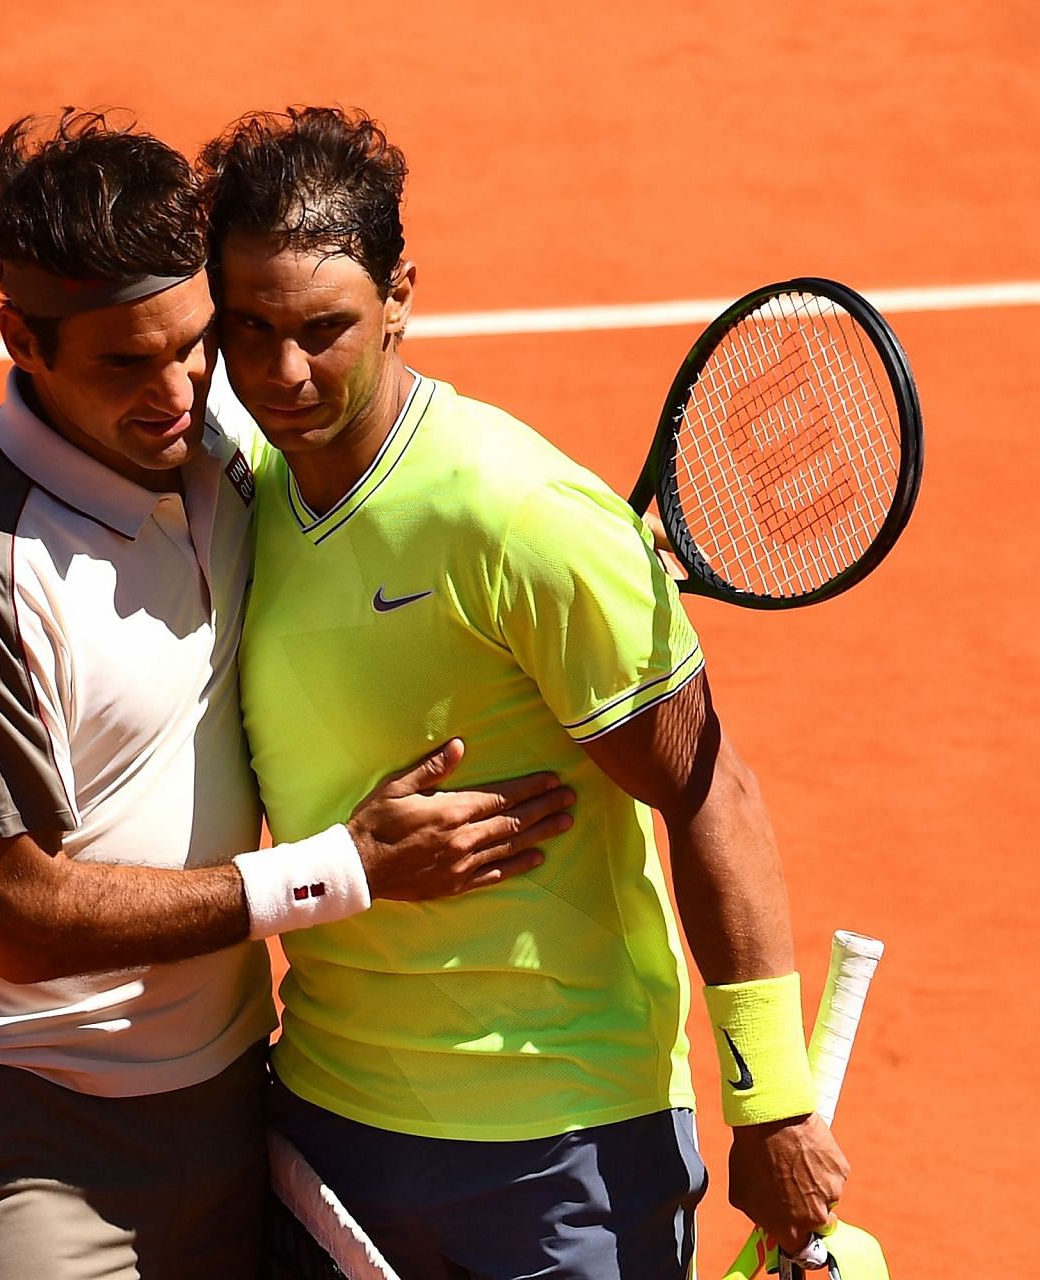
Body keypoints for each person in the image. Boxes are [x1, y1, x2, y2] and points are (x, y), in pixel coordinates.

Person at [0, 110, 576, 1280]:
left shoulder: (230, 446)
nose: (177, 391)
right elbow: (23, 917)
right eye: (124, 362)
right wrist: (341, 869)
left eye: (195, 342)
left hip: (240, 1090)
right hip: (40, 1123)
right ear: (21, 340)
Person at [197, 106, 849, 1280]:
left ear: (400, 294)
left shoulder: (520, 516)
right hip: (330, 1112)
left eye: (323, 328)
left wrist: (773, 1099)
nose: (284, 372)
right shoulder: (235, 488)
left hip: (562, 1141)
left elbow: (712, 792)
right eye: (248, 327)